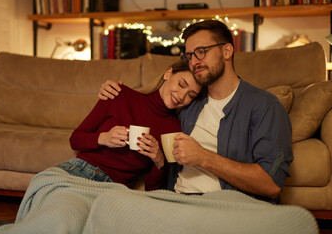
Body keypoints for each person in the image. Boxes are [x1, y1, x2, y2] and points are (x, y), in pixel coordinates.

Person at [98, 20, 293, 203]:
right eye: (189, 55)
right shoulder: (188, 103)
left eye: (201, 51)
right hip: (177, 201)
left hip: (224, 205)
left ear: (226, 51)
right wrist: (117, 91)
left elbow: (272, 184)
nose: (194, 62)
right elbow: (148, 107)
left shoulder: (264, 106)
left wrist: (203, 157)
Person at [58, 59, 202, 191]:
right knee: (44, 185)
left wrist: (159, 162)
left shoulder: (174, 130)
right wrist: (104, 138)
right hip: (81, 169)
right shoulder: (119, 94)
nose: (182, 96)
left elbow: (153, 191)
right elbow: (75, 140)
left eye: (191, 95)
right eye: (181, 84)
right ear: (168, 73)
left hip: (115, 188)